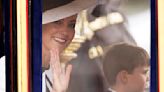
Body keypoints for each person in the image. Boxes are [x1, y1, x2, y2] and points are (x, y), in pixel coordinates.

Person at [42, 0, 96, 92]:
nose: (65, 32)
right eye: (57, 22)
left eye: (71, 25)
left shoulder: (55, 77)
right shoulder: (15, 69)